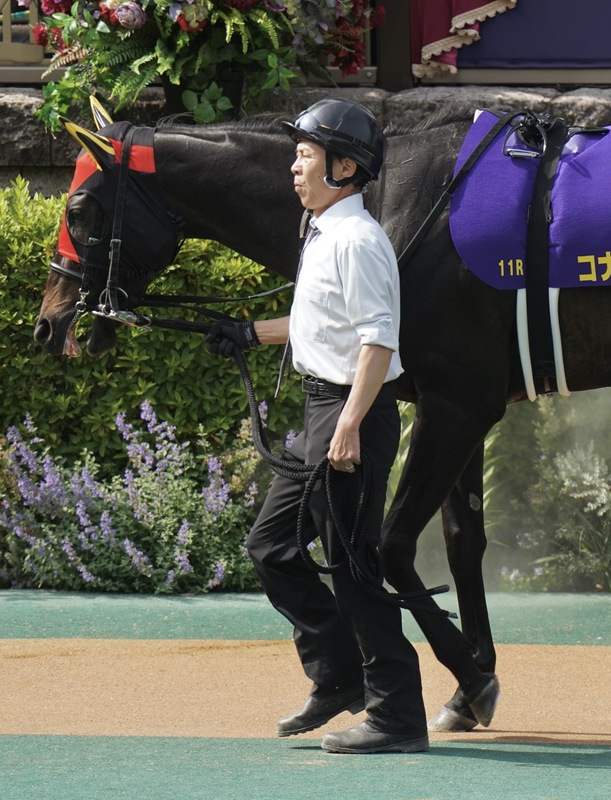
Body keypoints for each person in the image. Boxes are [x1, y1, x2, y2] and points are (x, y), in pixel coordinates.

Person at [204, 99, 427, 755]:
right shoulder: (325, 232)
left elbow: (378, 341)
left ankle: (397, 718)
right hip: (325, 409)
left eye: (305, 155)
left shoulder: (358, 241)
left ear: (345, 166)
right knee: (272, 548)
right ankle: (338, 676)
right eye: (297, 154)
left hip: (348, 414)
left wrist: (351, 423)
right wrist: (249, 331)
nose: (294, 167)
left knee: (355, 570)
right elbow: (319, 327)